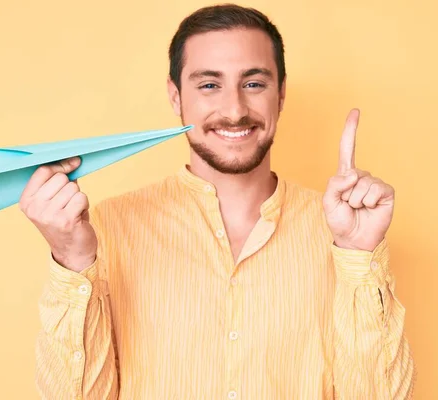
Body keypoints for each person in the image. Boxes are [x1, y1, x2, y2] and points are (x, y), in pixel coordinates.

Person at [21, 4, 416, 399]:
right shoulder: (105, 229)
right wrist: (72, 260)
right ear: (176, 98)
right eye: (210, 85)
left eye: (254, 84)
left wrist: (358, 258)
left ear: (280, 95)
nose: (234, 110)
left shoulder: (340, 234)